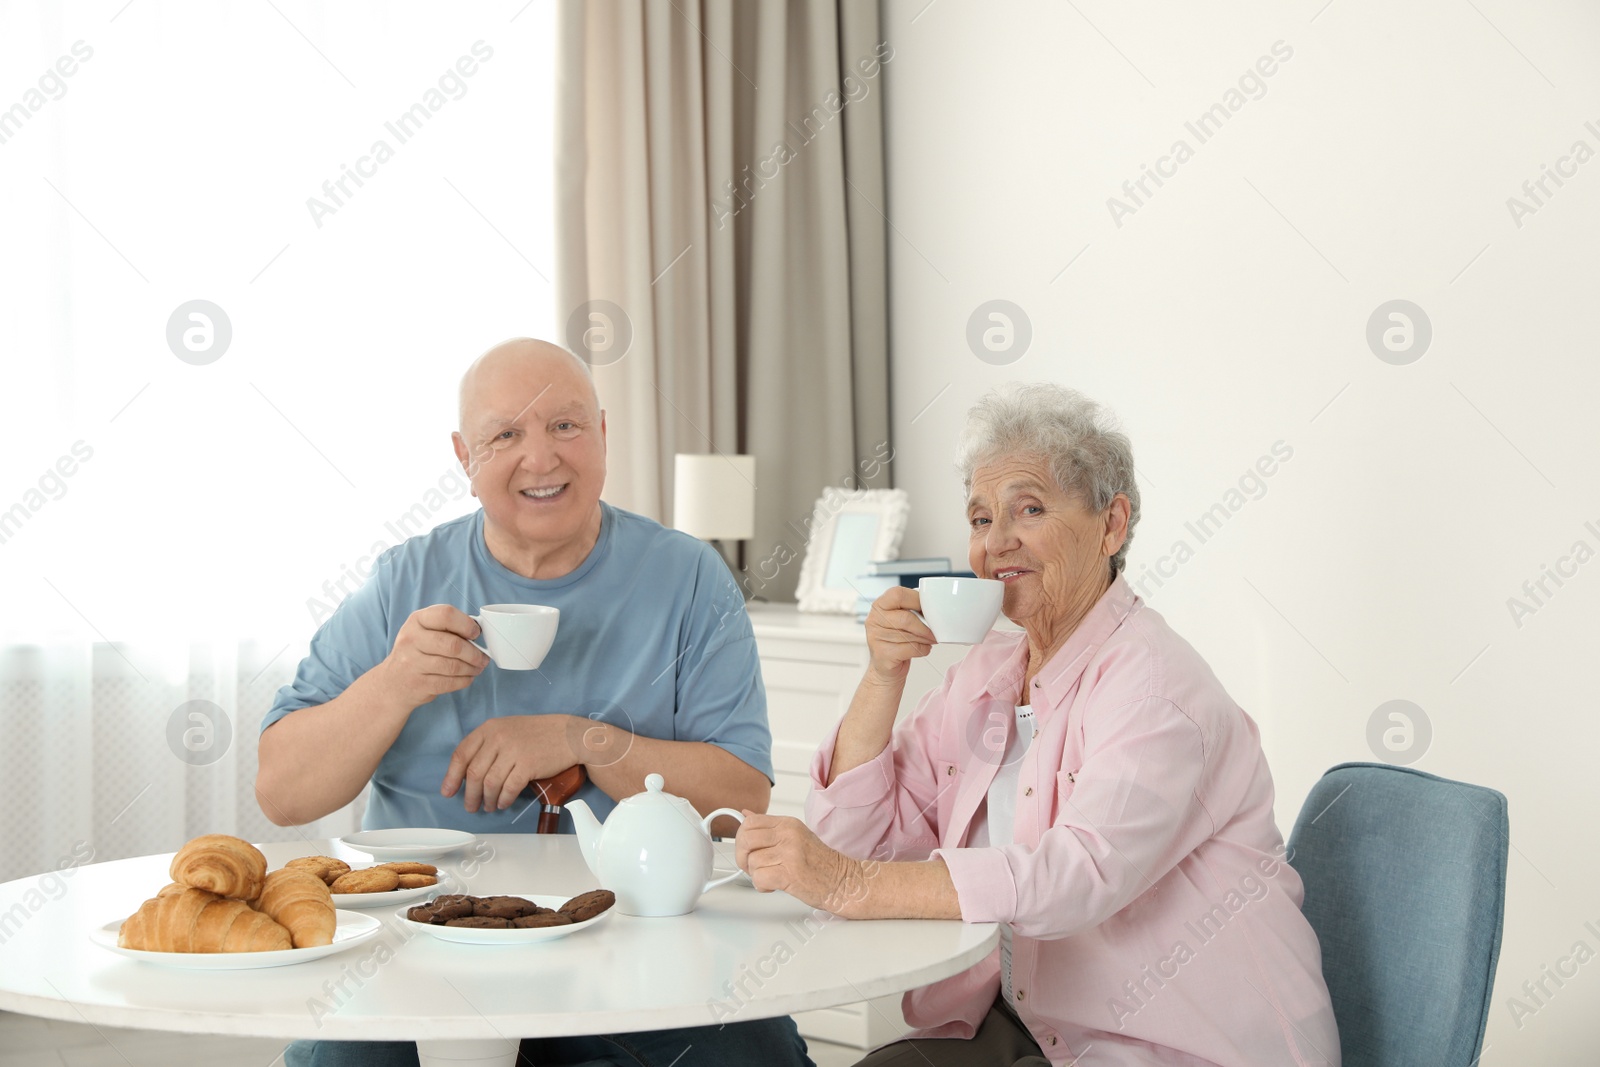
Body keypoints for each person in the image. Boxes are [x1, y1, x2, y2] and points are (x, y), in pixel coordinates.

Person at [736, 382, 1340, 1066]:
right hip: (1035, 1028)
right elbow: (852, 838)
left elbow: (1073, 876)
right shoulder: (988, 676)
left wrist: (848, 883)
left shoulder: (1152, 684)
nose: (997, 542)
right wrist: (882, 677)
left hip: (1181, 1042)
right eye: (979, 517)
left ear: (1111, 525)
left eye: (1029, 507)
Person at [257, 338, 812, 1067]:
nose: (542, 458)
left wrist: (583, 739)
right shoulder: (405, 580)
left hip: (636, 941)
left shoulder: (688, 578)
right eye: (506, 434)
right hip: (423, 957)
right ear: (464, 456)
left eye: (566, 426)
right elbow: (282, 792)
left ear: (605, 434)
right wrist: (392, 683)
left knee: (754, 1057)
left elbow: (744, 799)